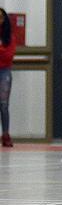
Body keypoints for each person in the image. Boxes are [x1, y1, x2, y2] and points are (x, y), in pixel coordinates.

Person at [0, 8, 14, 148]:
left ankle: (5, 134)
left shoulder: (9, 36)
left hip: (4, 72)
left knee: (4, 105)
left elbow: (7, 56)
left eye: (1, 17)